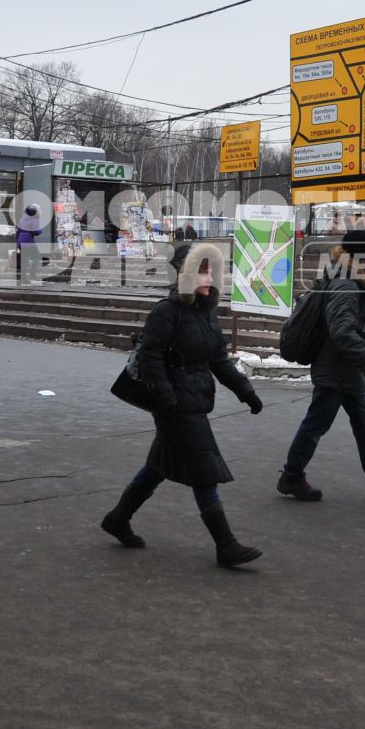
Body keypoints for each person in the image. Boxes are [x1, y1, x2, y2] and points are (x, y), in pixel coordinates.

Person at [99, 242, 265, 567]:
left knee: (158, 467)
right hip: (175, 404)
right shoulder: (166, 311)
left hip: (196, 399)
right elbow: (150, 357)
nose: (208, 277)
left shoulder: (207, 312)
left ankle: (118, 518)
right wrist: (165, 399)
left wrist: (246, 392)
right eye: (201, 270)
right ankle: (225, 545)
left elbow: (218, 360)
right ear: (184, 273)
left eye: (211, 270)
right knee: (204, 469)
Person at [276, 230, 365, 505]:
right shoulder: (345, 284)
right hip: (336, 370)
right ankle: (292, 476)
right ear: (363, 254)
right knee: (316, 426)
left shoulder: (350, 279)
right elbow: (342, 333)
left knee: (363, 424)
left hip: (347, 370)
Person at [14, 203, 44, 280]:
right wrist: (41, 230)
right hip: (28, 241)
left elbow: (18, 231)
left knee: (24, 259)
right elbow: (36, 232)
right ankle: (32, 274)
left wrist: (17, 242)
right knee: (37, 257)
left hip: (21, 240)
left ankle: (23, 277)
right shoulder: (35, 219)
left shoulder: (23, 218)